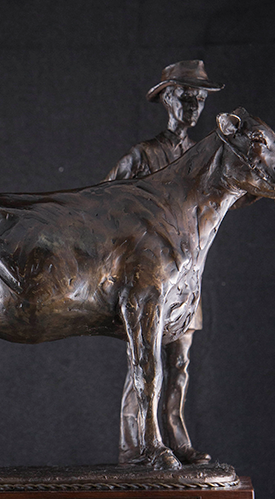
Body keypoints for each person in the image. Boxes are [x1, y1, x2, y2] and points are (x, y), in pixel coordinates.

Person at [106, 60, 222, 466]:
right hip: (147, 279)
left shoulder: (205, 156)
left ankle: (175, 435)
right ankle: (132, 441)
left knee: (180, 361)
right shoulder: (143, 156)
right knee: (144, 357)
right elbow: (101, 206)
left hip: (188, 279)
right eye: (186, 96)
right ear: (167, 98)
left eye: (201, 99)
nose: (194, 106)